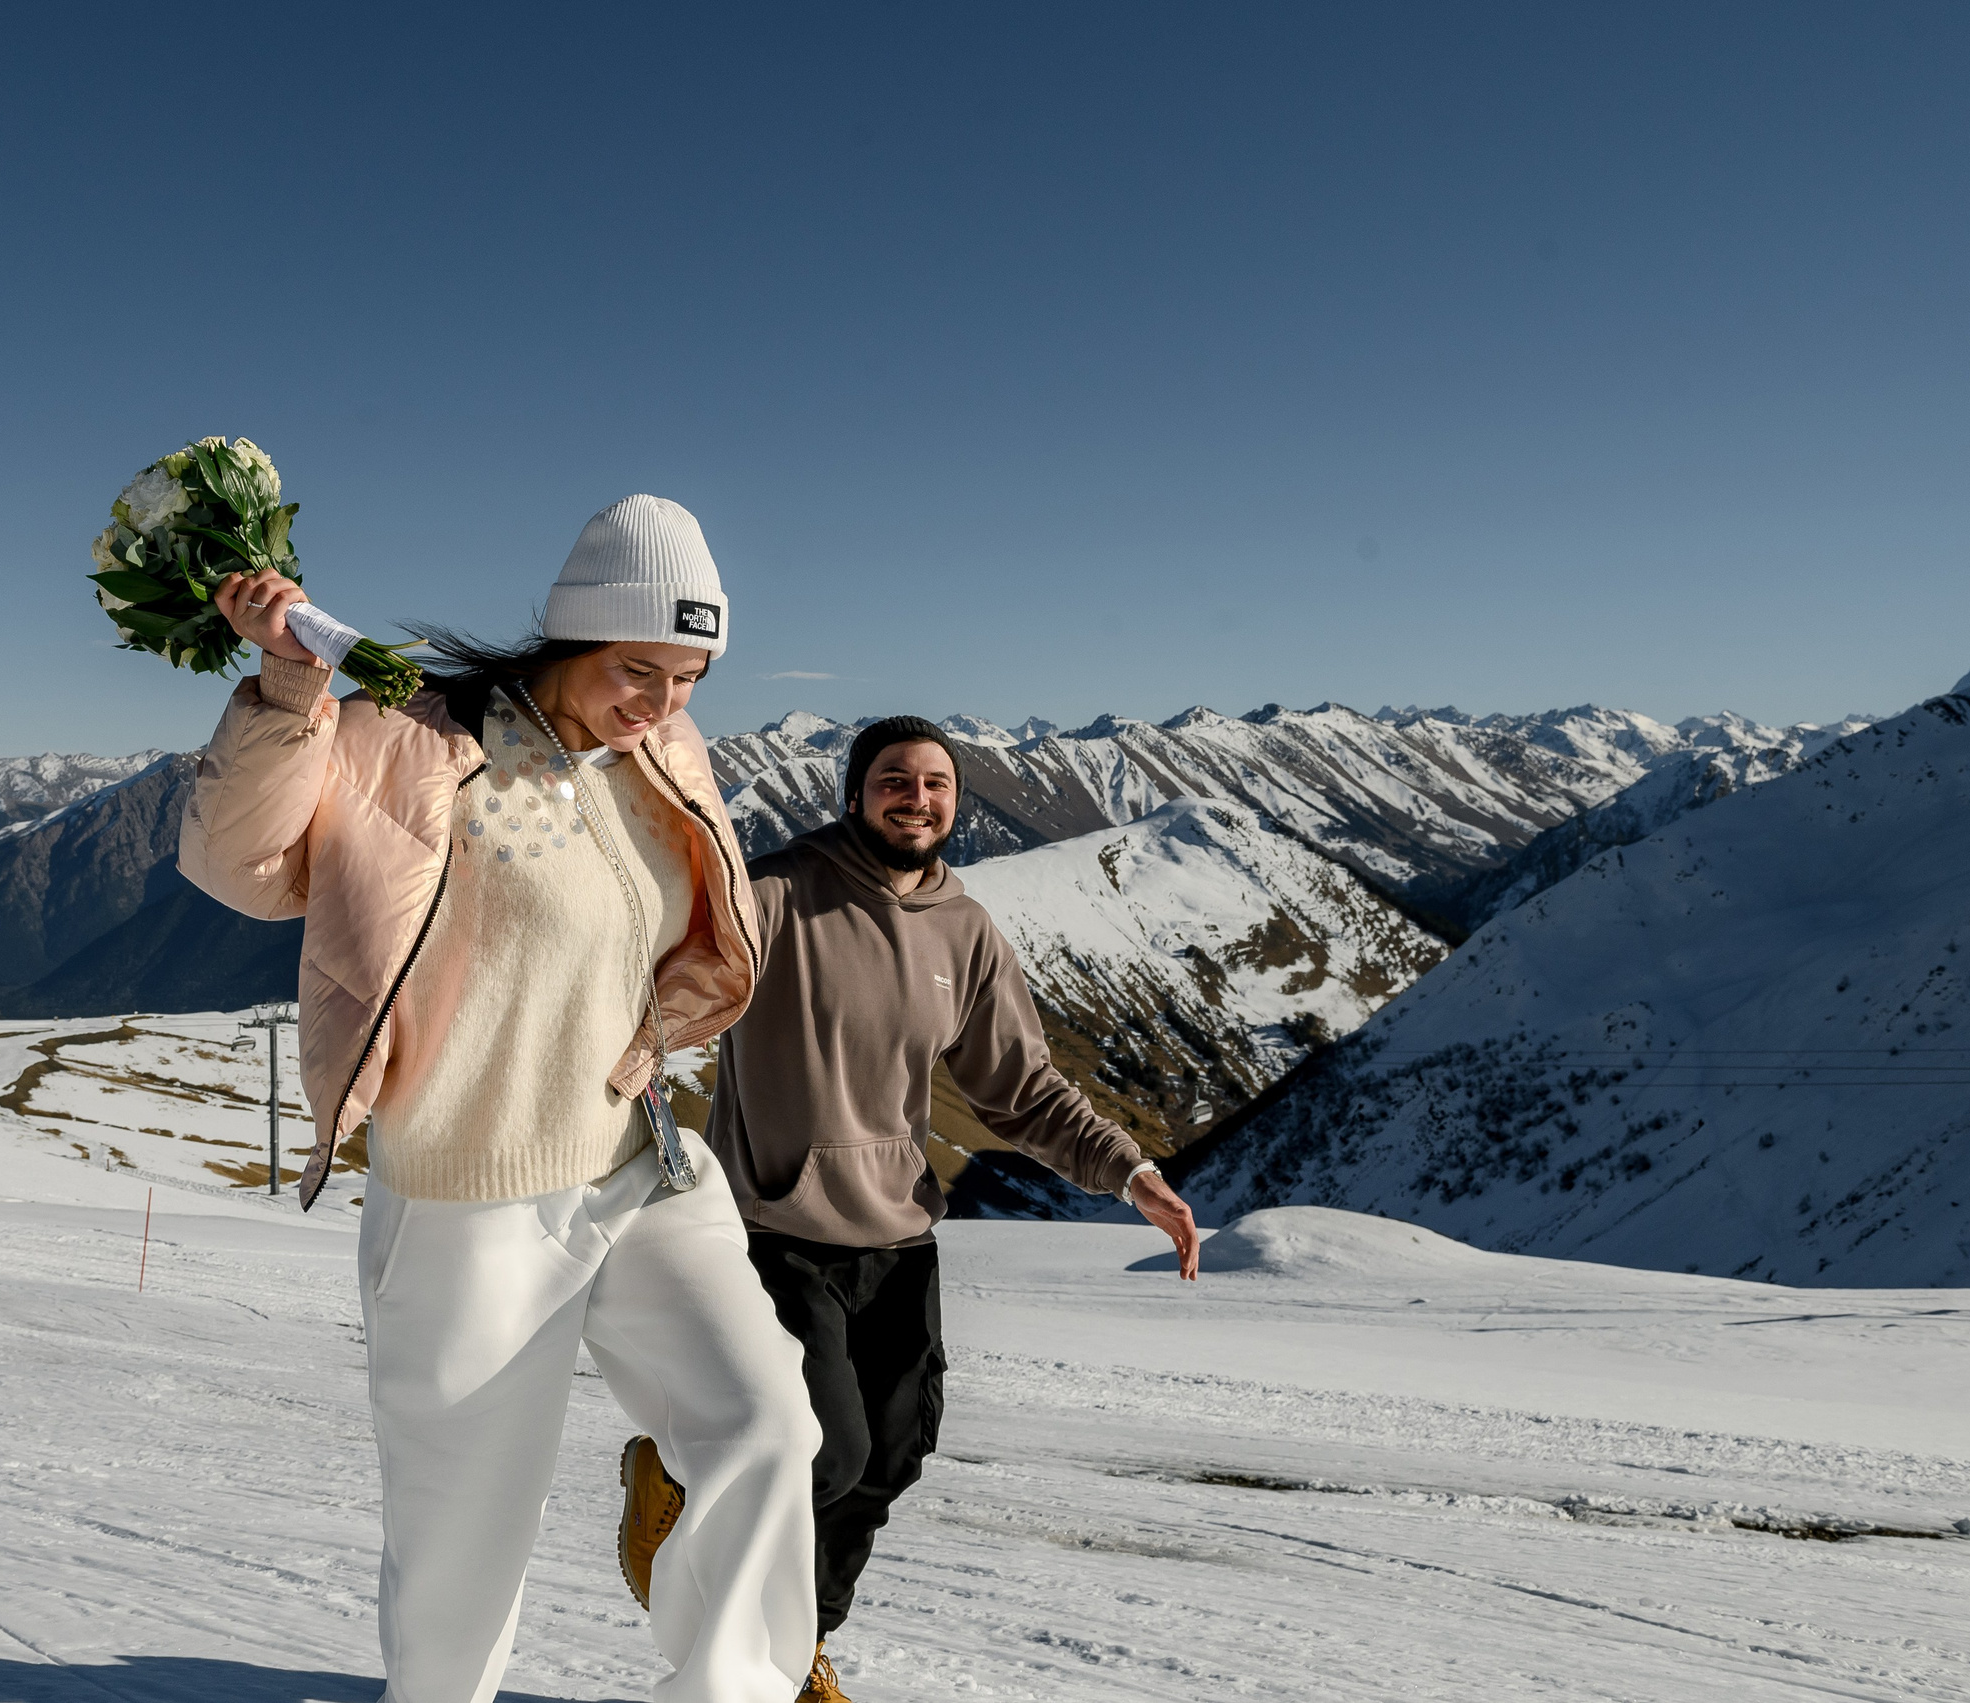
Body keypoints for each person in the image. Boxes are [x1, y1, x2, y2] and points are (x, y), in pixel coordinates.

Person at [181, 494, 821, 1703]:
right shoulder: (406, 735)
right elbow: (239, 868)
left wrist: (666, 1023)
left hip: (637, 1165)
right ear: (567, 636)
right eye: (641, 666)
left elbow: (696, 920)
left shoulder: (662, 754)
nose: (664, 701)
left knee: (766, 1427)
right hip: (469, 1195)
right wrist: (282, 692)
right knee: (459, 1557)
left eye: (690, 675)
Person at [633, 716, 1203, 1703]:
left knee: (889, 1456)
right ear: (855, 792)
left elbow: (1019, 1087)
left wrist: (1130, 1171)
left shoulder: (962, 927)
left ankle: (798, 1642)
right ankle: (687, 1486)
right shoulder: (773, 893)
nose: (917, 796)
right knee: (824, 1449)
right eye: (894, 779)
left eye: (936, 782)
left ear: (955, 800)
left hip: (897, 1236)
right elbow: (657, 968)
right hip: (772, 1230)